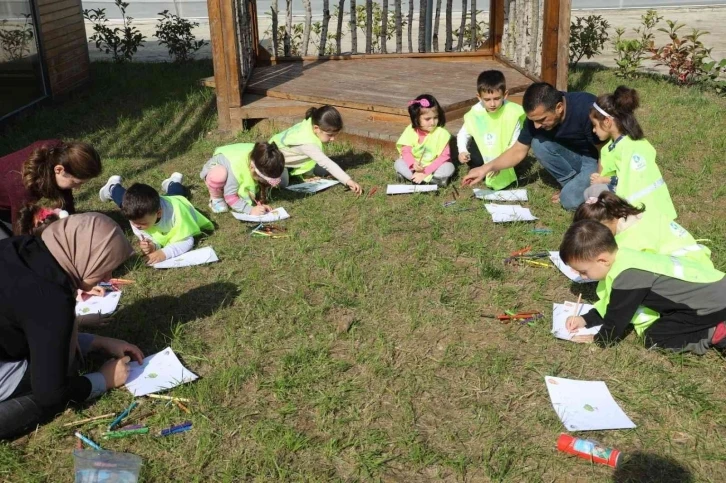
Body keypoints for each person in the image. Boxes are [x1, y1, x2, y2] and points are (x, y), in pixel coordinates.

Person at [0, 213, 144, 440]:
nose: (107, 277)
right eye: (105, 266)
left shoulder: (21, 247)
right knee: (50, 392)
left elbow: (31, 322)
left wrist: (97, 342)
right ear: (87, 255)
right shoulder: (51, 297)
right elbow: (51, 392)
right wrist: (103, 379)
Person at [559, 220, 726, 355]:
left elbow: (617, 317)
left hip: (710, 305)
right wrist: (585, 320)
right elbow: (613, 303)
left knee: (654, 338)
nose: (582, 277)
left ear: (602, 261)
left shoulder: (628, 277)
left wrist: (601, 340)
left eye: (584, 272)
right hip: (715, 287)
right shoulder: (626, 257)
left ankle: (716, 332)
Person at [462, 82, 600, 210]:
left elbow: (608, 153)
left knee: (569, 201)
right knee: (538, 143)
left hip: (597, 158)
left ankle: (591, 190)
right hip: (575, 154)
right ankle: (570, 184)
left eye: (542, 120)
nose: (536, 126)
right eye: (533, 121)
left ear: (559, 107)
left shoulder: (586, 108)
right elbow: (518, 150)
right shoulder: (535, 117)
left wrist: (600, 183)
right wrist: (485, 169)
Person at [585, 86, 677, 220]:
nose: (593, 130)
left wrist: (602, 180)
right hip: (640, 203)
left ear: (607, 122)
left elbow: (629, 180)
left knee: (593, 193)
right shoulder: (613, 146)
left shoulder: (629, 148)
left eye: (594, 125)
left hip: (645, 209)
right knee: (591, 193)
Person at [99, 173, 213, 265]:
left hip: (175, 201)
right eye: (134, 222)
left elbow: (187, 241)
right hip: (149, 206)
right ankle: (112, 187)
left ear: (158, 214)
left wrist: (163, 253)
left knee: (177, 194)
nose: (138, 226)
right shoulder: (139, 215)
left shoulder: (175, 215)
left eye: (142, 224)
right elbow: (152, 236)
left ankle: (174, 182)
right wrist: (152, 245)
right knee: (122, 201)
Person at [574, 192, 711, 267]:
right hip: (696, 256)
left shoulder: (628, 242)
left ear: (605, 224)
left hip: (687, 269)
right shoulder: (636, 217)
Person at [0, 140, 101, 238]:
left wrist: (71, 222)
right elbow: (20, 232)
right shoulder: (23, 187)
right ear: (59, 170)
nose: (78, 188)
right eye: (75, 183)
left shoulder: (61, 152)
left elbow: (66, 198)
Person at [456, 70, 526, 190]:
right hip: (486, 150)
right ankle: (481, 169)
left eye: (497, 98)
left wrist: (499, 164)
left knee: (517, 164)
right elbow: (463, 133)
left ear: (505, 95)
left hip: (506, 151)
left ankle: (494, 170)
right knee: (474, 157)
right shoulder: (476, 112)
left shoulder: (512, 112)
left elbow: (515, 143)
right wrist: (462, 151)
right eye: (487, 100)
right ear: (479, 97)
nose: (492, 104)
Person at [270, 105, 363, 194]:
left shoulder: (310, 124)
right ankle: (281, 172)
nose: (333, 139)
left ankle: (298, 171)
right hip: (274, 161)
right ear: (316, 128)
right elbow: (327, 163)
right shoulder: (308, 143)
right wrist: (348, 181)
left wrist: (308, 173)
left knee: (323, 171)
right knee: (282, 183)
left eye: (335, 135)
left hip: (292, 158)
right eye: (330, 135)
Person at [200, 142, 285, 214]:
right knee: (219, 175)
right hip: (216, 169)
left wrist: (259, 205)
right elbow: (230, 196)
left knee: (285, 179)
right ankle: (216, 199)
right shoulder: (236, 169)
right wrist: (250, 210)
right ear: (252, 168)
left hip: (239, 163)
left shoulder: (261, 156)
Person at [394, 94, 454, 187]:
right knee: (399, 163)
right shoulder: (410, 130)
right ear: (416, 118)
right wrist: (413, 164)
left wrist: (426, 172)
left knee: (449, 167)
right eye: (427, 119)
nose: (433, 122)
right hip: (415, 166)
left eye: (435, 117)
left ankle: (421, 179)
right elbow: (406, 151)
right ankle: (429, 180)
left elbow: (444, 157)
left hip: (434, 166)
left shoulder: (442, 134)